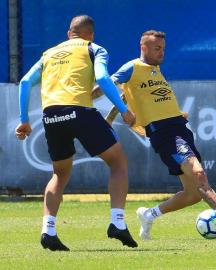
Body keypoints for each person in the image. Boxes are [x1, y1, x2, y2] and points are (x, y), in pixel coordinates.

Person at [93, 30, 216, 240]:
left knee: (192, 194)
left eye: (164, 48)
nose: (162, 52)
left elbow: (127, 96)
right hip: (164, 133)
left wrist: (112, 115)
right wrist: (83, 97)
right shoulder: (132, 67)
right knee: (199, 173)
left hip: (180, 129)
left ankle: (149, 215)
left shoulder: (155, 70)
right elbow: (106, 85)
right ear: (143, 47)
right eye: (157, 48)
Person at [15, 15, 138, 251]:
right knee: (118, 162)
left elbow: (24, 82)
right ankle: (117, 223)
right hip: (80, 111)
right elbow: (102, 78)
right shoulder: (94, 48)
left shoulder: (49, 54)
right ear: (90, 34)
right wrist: (124, 110)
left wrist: (24, 121)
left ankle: (48, 230)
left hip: (51, 115)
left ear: (68, 33)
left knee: (59, 174)